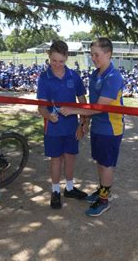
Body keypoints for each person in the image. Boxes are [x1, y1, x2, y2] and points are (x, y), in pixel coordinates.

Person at [60, 37, 124, 217]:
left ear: (108, 54)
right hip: (98, 127)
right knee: (100, 162)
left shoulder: (113, 77)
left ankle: (104, 199)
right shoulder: (95, 75)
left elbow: (98, 107)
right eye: (92, 55)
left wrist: (73, 110)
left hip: (111, 128)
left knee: (106, 165)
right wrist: (84, 121)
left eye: (96, 55)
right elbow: (91, 104)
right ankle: (103, 190)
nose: (93, 58)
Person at [36, 40, 88, 210]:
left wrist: (82, 123)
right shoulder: (44, 78)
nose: (57, 65)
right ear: (49, 57)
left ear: (67, 57)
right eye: (54, 61)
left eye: (61, 61)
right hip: (53, 128)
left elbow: (82, 102)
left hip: (72, 126)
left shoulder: (74, 76)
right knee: (56, 159)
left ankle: (70, 188)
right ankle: (56, 191)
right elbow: (41, 107)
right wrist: (49, 116)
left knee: (71, 157)